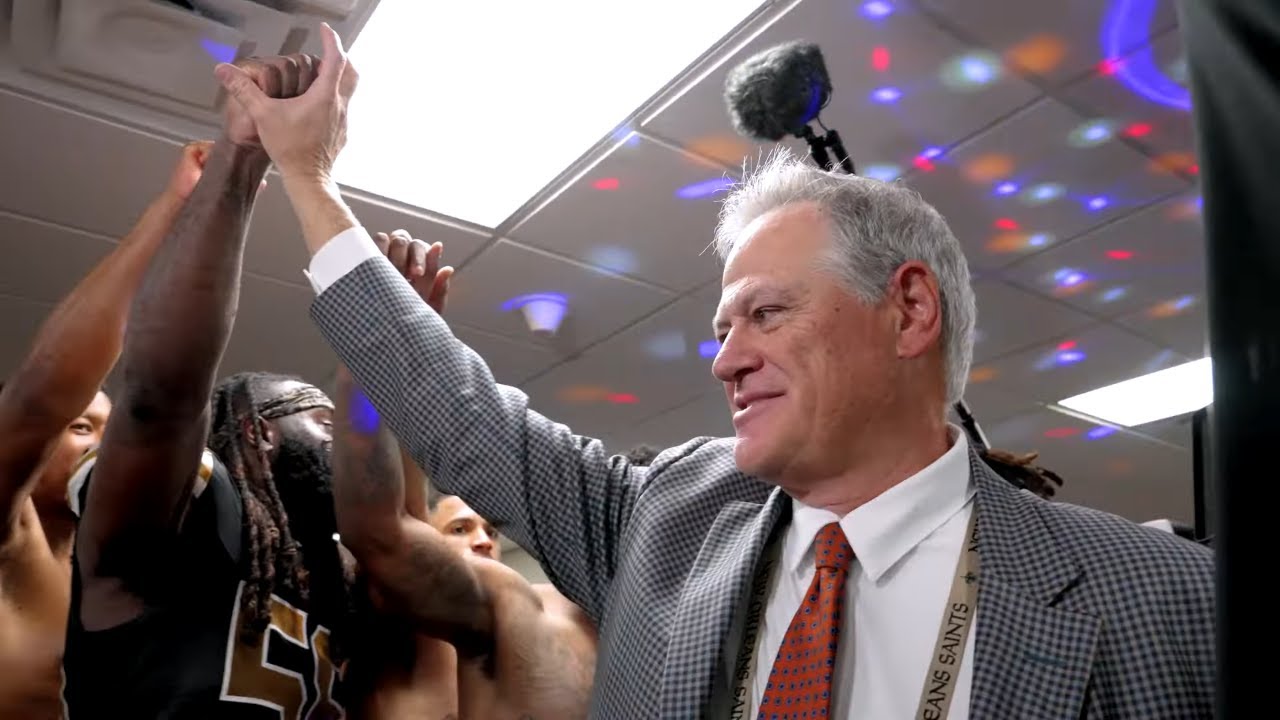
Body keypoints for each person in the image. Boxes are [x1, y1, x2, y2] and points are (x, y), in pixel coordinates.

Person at [220, 35, 1215, 719]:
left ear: (908, 310)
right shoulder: (669, 522)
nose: (725, 356)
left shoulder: (1168, 604)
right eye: (720, 323)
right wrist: (307, 178)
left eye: (767, 313)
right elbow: (464, 415)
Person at [62, 46, 357, 718]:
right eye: (323, 422)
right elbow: (160, 398)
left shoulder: (336, 576)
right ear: (258, 436)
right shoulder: (193, 520)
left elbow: (390, 514)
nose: (348, 440)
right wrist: (243, 158)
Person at [330, 244, 597, 719]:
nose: (481, 541)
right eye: (459, 528)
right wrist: (386, 354)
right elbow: (391, 524)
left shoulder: (540, 615)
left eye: (490, 531)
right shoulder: (409, 650)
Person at [0, 140, 209, 719]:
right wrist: (174, 208)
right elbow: (43, 393)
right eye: (81, 427)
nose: (103, 446)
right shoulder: (12, 540)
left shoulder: (140, 585)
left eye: (111, 432)